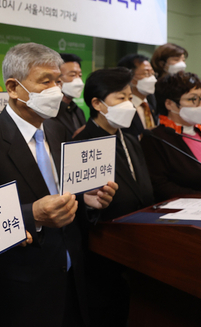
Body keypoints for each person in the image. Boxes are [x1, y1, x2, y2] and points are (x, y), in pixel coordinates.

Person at [0, 42, 117, 327]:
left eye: (58, 81)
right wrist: (32, 216)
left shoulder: (57, 129)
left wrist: (87, 200)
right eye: (45, 81)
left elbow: (63, 192)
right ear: (13, 88)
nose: (55, 90)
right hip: (22, 287)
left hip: (71, 274)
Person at [73, 67, 154, 327]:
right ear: (97, 104)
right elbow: (81, 211)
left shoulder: (130, 140)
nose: (128, 104)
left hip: (139, 250)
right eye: (120, 98)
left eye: (130, 97)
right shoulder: (82, 145)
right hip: (101, 261)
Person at [140, 72, 201, 202]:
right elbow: (159, 185)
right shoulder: (155, 139)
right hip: (180, 209)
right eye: (192, 99)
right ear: (169, 104)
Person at [46, 53, 87, 139]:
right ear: (57, 78)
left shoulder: (78, 111)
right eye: (72, 75)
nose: (78, 81)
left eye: (80, 75)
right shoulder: (48, 112)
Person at [117, 54, 158, 138]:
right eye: (146, 74)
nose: (153, 79)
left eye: (152, 74)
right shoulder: (121, 107)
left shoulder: (150, 103)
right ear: (129, 77)